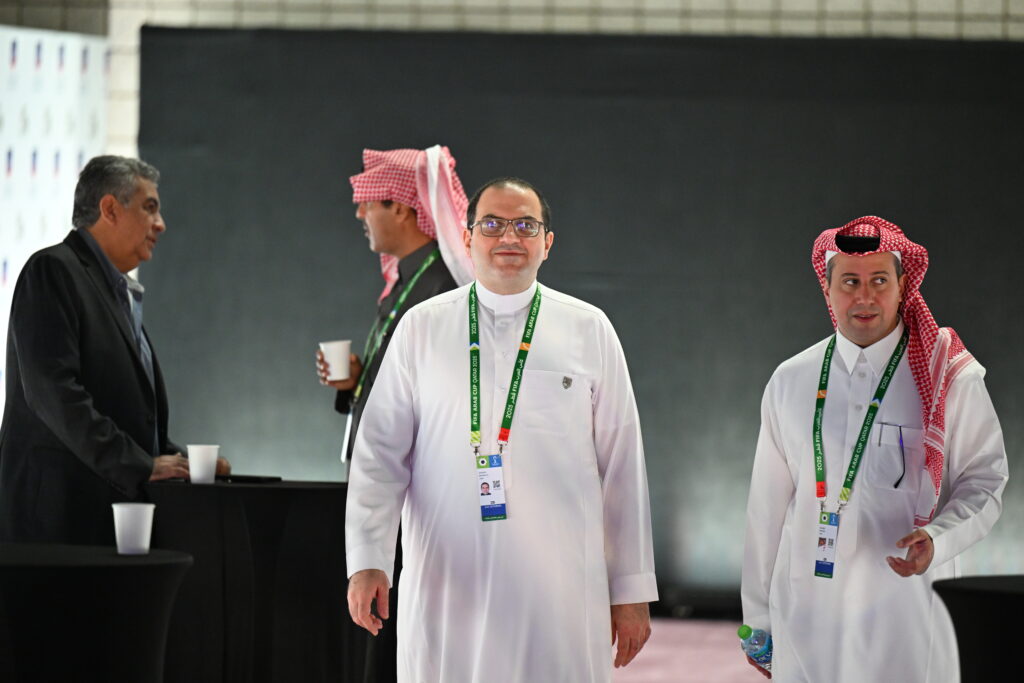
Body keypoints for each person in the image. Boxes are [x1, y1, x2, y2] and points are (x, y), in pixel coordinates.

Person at [345, 177, 658, 682]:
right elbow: (379, 456)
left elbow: (623, 468)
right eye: (491, 224)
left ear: (547, 243)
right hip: (447, 581)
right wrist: (367, 560)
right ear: (467, 238)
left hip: (559, 590)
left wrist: (631, 591)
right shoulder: (422, 327)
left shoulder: (588, 328)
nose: (509, 237)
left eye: (525, 226)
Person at [741, 216, 1008, 682]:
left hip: (908, 615)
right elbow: (765, 509)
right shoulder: (791, 380)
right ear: (827, 290)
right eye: (850, 281)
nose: (864, 296)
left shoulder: (948, 378)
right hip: (807, 616)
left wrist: (938, 538)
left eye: (879, 280)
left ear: (903, 286)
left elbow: (985, 482)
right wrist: (757, 616)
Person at [0, 155, 228, 545]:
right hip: (54, 526)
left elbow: (122, 411)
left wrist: (180, 462)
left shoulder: (117, 293)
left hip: (101, 518)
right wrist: (140, 465)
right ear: (109, 209)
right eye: (149, 208)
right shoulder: (52, 270)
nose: (161, 224)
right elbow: (55, 394)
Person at [317, 145, 473, 683]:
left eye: (369, 203)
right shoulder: (409, 279)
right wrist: (357, 382)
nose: (360, 214)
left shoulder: (443, 287)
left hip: (422, 495)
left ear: (403, 208)